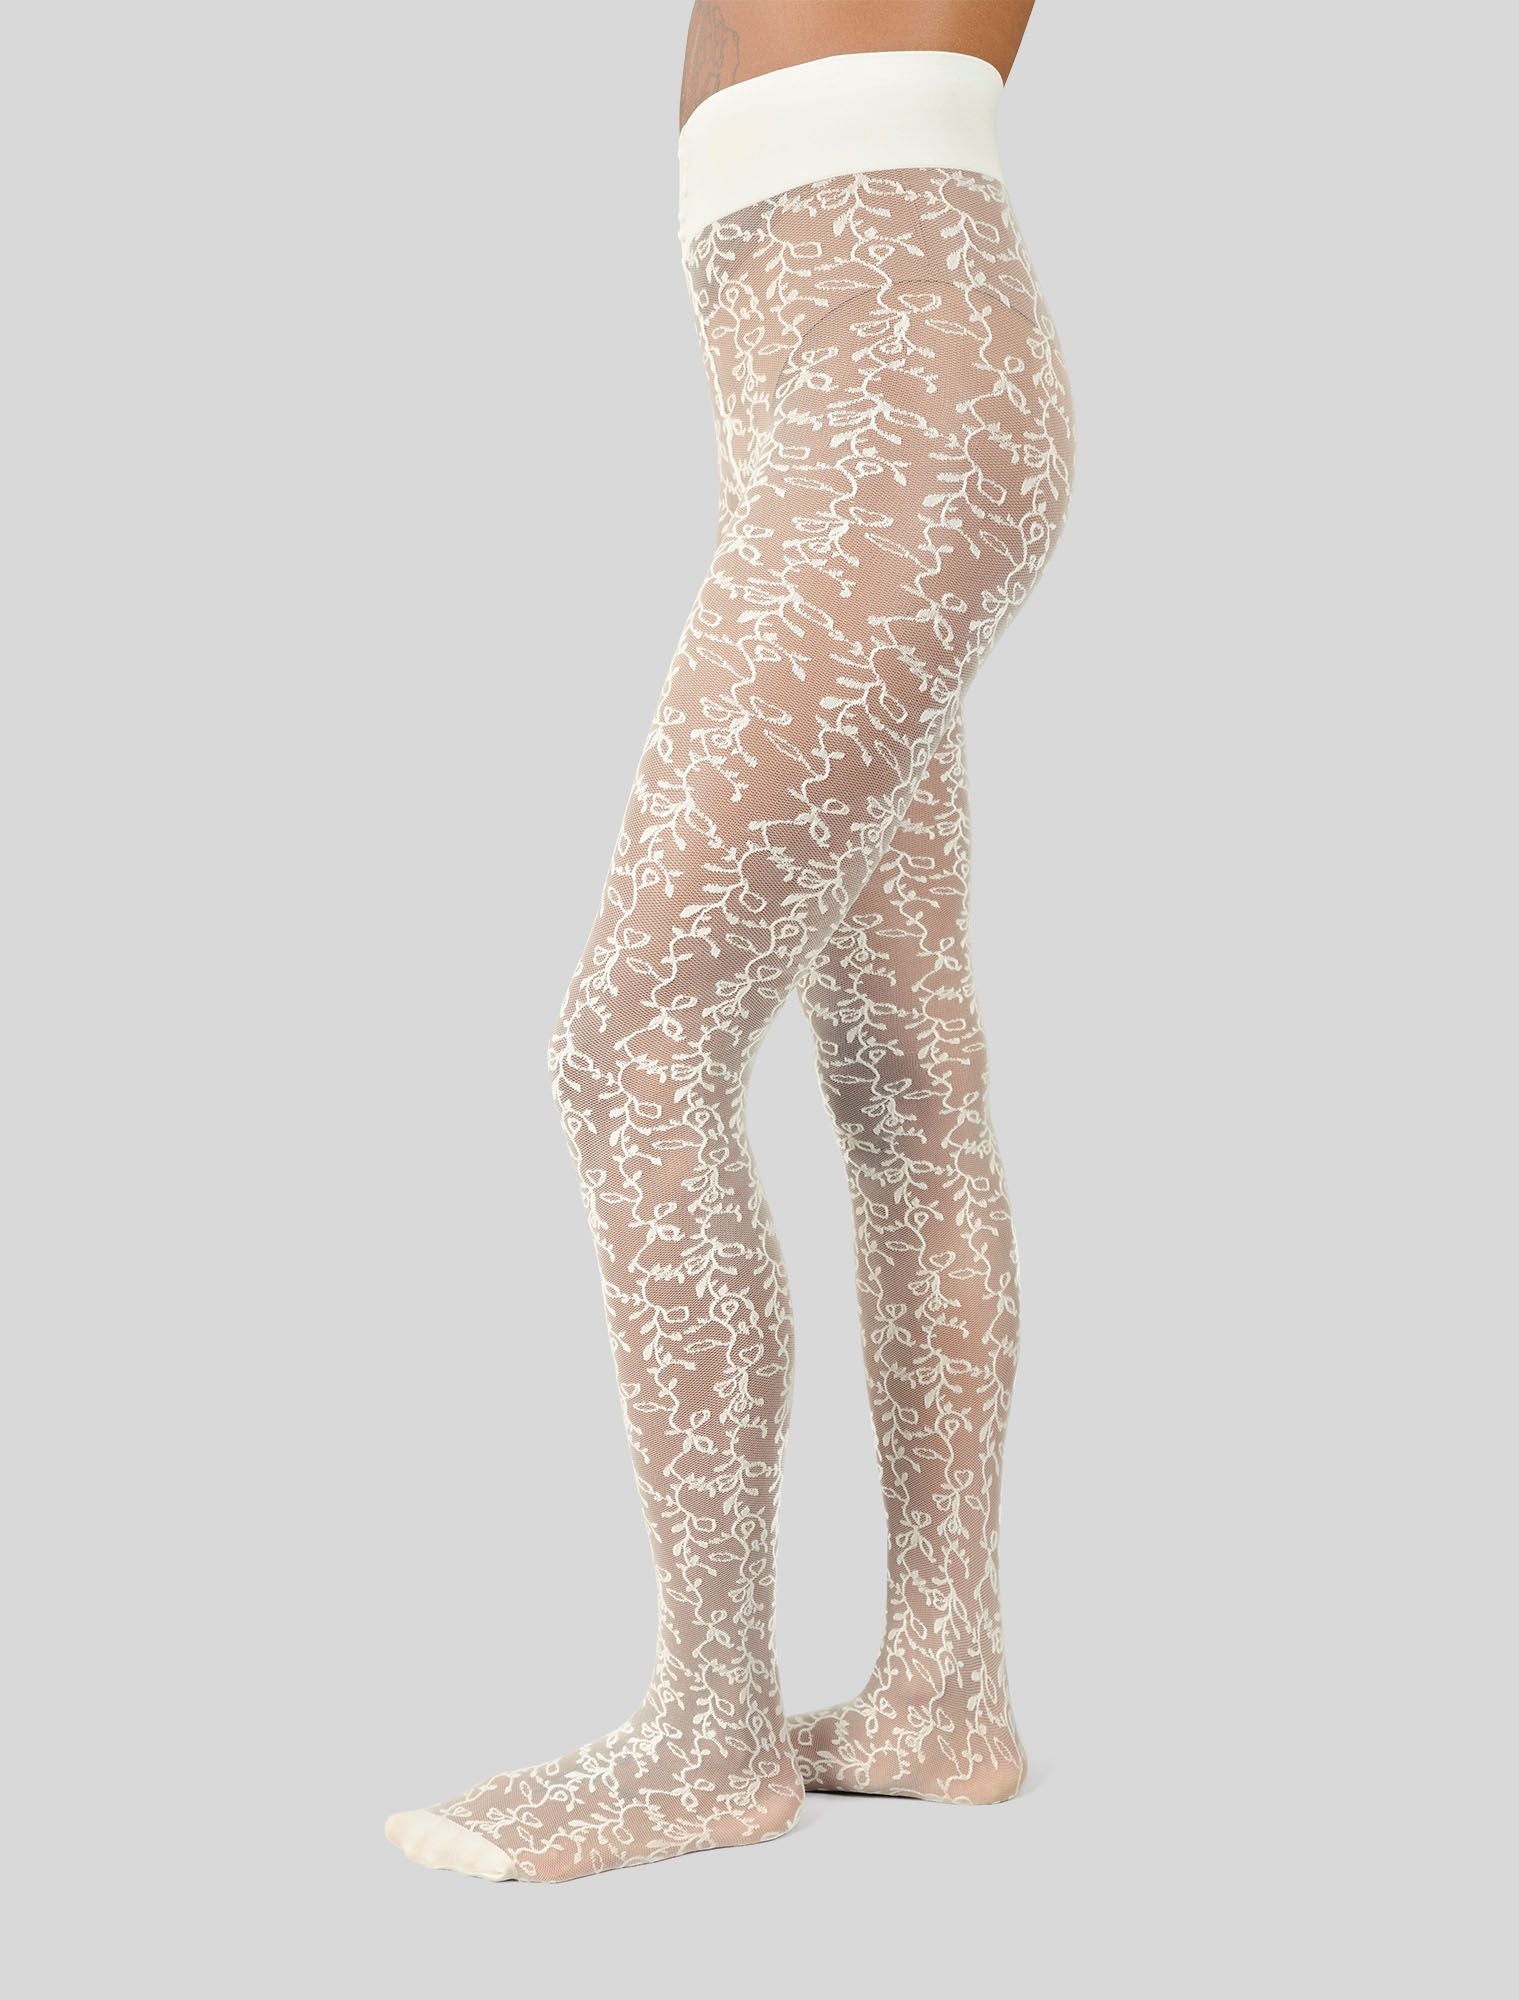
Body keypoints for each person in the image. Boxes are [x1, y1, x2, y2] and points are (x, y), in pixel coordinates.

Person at [387, 0, 1073, 1884]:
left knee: (632, 1042)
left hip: (899, 376)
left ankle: (706, 1726)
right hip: (811, 377)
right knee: (903, 1070)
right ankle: (944, 1689)